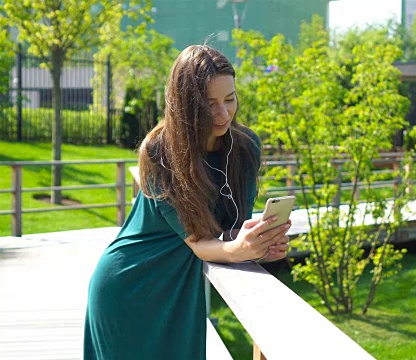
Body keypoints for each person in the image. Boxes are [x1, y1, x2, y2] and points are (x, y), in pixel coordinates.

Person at [84, 45, 291, 359]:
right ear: (186, 105)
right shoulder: (161, 152)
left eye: (230, 99)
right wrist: (241, 250)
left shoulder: (246, 148)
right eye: (210, 105)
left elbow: (233, 231)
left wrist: (260, 241)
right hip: (129, 287)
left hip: (180, 289)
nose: (223, 114)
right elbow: (199, 242)